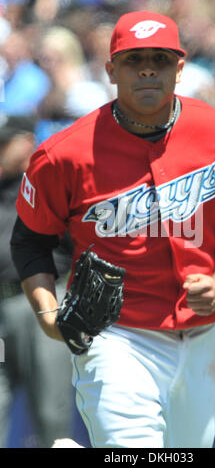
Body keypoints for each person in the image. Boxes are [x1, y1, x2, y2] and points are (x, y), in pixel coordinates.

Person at [10, 10, 215, 449]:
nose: (147, 68)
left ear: (179, 68)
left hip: (199, 336)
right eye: (133, 59)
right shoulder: (64, 153)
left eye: (159, 59)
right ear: (110, 70)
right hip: (115, 337)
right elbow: (30, 240)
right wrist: (48, 313)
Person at [0, 115, 74, 447]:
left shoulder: (46, 182)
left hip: (42, 301)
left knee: (51, 414)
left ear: (27, 142)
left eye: (4, 144)